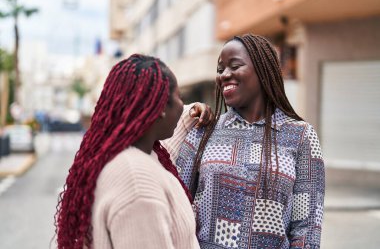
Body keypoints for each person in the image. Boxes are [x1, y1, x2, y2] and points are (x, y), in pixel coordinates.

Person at [176, 34, 325, 248]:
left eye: (234, 66)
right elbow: (177, 204)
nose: (224, 75)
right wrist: (187, 111)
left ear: (263, 71)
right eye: (220, 69)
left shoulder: (300, 135)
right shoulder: (203, 131)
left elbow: (308, 227)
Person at [54, 54, 212, 249]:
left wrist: (191, 115)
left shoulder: (131, 156)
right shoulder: (137, 182)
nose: (182, 104)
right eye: (179, 97)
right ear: (161, 107)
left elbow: (163, 156)